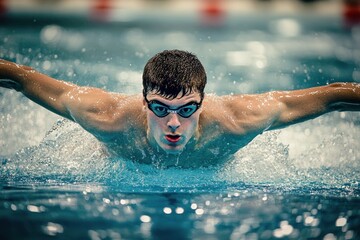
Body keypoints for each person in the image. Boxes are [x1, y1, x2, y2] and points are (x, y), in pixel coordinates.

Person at [1, 50, 360, 168]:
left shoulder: (238, 121)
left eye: (187, 109)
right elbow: (22, 77)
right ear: (144, 101)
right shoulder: (107, 118)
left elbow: (332, 97)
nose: (173, 123)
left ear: (203, 104)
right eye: (160, 108)